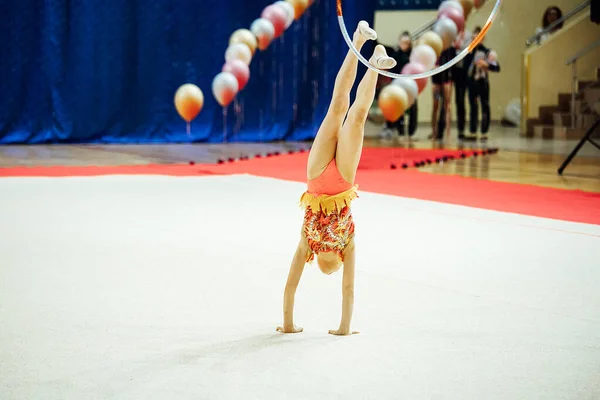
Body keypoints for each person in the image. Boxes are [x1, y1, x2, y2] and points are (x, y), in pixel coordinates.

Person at [276, 21, 396, 336]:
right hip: (328, 179)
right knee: (344, 111)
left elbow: (342, 290)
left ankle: (369, 54)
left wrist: (342, 328)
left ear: (320, 259)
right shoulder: (338, 244)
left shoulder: (316, 245)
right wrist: (288, 324)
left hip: (330, 179)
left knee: (348, 112)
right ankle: (371, 55)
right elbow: (294, 287)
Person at [377, 32, 419, 139]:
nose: (405, 45)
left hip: (410, 87)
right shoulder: (395, 55)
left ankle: (410, 133)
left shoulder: (413, 56)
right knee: (398, 106)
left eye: (407, 43)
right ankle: (397, 129)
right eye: (403, 42)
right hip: (397, 87)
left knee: (413, 107)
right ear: (399, 43)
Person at [466, 26, 501, 141]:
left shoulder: (488, 52)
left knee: (485, 105)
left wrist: (487, 66)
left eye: (479, 37)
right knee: (473, 107)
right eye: (474, 36)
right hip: (472, 82)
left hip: (483, 82)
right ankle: (472, 131)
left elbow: (497, 67)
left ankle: (484, 132)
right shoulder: (468, 52)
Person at [430, 46, 456, 141]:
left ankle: (448, 134)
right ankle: (434, 132)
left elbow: (453, 64)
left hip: (447, 79)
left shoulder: (450, 49)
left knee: (447, 105)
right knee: (435, 105)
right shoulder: (435, 46)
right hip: (436, 79)